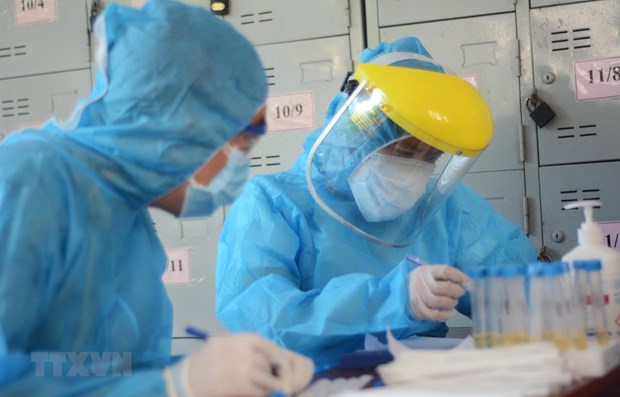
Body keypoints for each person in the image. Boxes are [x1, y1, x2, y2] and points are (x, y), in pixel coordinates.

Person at [0, 1, 313, 396]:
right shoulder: (29, 177)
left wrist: (212, 370)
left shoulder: (122, 217)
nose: (236, 168)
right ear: (175, 129)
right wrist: (177, 385)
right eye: (238, 145)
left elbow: (105, 368)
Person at [215, 37, 538, 370]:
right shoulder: (272, 202)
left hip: (418, 383)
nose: (415, 170)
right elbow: (264, 319)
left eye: (431, 156)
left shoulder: (441, 206)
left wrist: (565, 294)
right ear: (356, 133)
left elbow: (510, 286)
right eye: (405, 150)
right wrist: (392, 300)